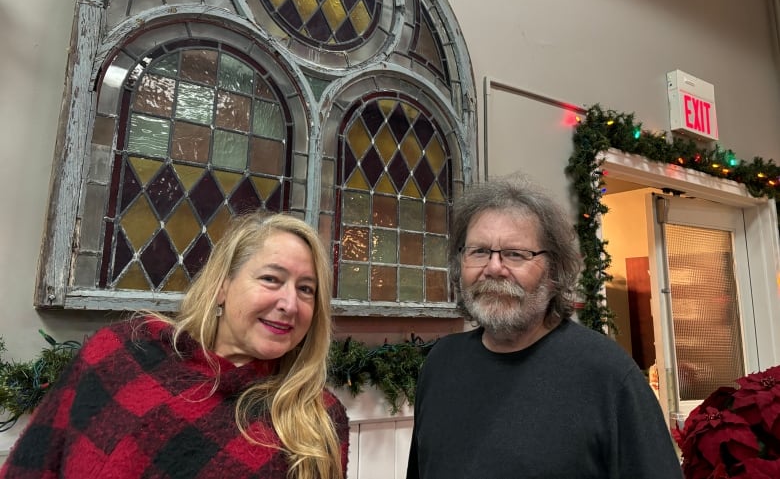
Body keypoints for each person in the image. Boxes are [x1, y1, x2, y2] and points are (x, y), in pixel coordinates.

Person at [1, 212, 348, 479]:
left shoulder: (317, 416)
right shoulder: (121, 353)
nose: (290, 303)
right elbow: (33, 464)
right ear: (223, 286)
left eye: (306, 289)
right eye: (272, 279)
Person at [406, 177, 682, 479]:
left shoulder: (608, 375)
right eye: (479, 251)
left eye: (515, 254)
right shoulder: (442, 362)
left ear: (554, 273)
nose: (494, 267)